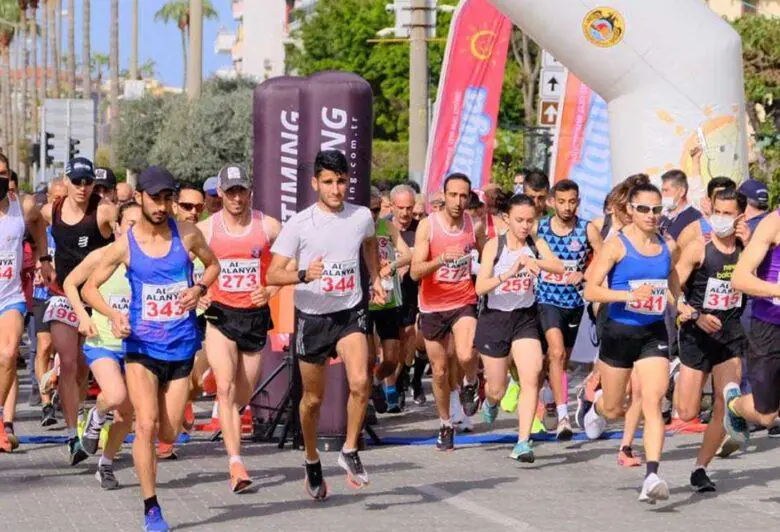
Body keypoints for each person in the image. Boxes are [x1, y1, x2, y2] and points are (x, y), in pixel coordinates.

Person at [83, 166, 219, 531]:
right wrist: (112, 314)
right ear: (140, 197)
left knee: (169, 433)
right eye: (155, 198)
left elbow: (213, 266)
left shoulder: (187, 235)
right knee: (145, 424)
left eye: (167, 198)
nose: (162, 205)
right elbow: (88, 289)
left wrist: (198, 290)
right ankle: (151, 506)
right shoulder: (125, 245)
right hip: (141, 346)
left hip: (181, 346)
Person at [266, 150, 385, 498]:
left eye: (342, 181)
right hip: (313, 318)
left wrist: (375, 277)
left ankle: (349, 451)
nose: (336, 189)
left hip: (349, 312)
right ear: (315, 183)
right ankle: (311, 458)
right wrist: (304, 274)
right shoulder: (299, 224)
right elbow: (273, 272)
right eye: (329, 182)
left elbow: (369, 245)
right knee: (313, 400)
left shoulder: (361, 215)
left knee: (362, 382)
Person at [583, 182, 694, 503]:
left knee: (653, 401)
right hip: (619, 332)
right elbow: (591, 291)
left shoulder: (665, 243)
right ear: (630, 210)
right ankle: (596, 405)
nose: (651, 215)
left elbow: (670, 274)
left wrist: (680, 301)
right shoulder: (616, 245)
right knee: (616, 408)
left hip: (652, 333)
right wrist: (628, 295)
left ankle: (652, 475)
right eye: (644, 209)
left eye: (657, 209)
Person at [198, 164, 281, 493]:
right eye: (230, 191)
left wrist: (271, 290)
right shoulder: (206, 230)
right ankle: (236, 464)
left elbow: (291, 259)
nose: (236, 197)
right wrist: (198, 291)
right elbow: (182, 261)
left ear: (250, 192)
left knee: (241, 395)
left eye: (241, 191)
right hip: (220, 315)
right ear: (220, 193)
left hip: (254, 316)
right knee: (227, 388)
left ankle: (213, 385)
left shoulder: (268, 227)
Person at [476, 193, 563, 462]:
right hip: (495, 318)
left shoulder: (535, 243)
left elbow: (557, 266)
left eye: (530, 220)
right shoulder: (495, 246)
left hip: (524, 317)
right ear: (507, 219)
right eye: (519, 220)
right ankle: (490, 401)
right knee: (497, 389)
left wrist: (535, 262)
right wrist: (508, 273)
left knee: (532, 374)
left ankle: (523, 442)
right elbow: (480, 287)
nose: (525, 226)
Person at [41, 157, 117, 465]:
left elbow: (125, 237)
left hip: (95, 297)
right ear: (66, 181)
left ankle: (88, 418)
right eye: (77, 182)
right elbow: (33, 220)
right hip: (63, 295)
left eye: (88, 183)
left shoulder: (103, 210)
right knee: (69, 364)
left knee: (85, 370)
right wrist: (44, 258)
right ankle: (73, 435)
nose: (83, 188)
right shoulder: (52, 210)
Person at [63, 201, 142, 489]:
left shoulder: (148, 260)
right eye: (131, 224)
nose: (136, 230)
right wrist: (83, 316)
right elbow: (71, 283)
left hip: (136, 346)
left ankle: (105, 465)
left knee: (127, 412)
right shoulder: (102, 256)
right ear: (117, 227)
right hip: (103, 343)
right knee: (116, 394)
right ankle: (95, 418)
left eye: (141, 224)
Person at [674, 187, 747, 492]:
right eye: (717, 212)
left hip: (729, 334)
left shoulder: (748, 248)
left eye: (728, 214)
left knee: (724, 401)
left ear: (740, 217)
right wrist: (693, 315)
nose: (721, 219)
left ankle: (701, 468)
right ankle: (674, 374)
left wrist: (752, 240)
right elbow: (673, 287)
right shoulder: (698, 248)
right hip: (696, 332)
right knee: (687, 412)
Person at [411, 173, 486, 451]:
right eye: (453, 195)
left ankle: (470, 381)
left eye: (463, 196)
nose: (458, 201)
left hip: (463, 299)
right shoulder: (428, 227)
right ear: (443, 196)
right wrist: (441, 259)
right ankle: (445, 424)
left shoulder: (472, 224)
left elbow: (487, 253)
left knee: (467, 353)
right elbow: (415, 271)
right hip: (432, 306)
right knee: (440, 372)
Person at [536, 179, 602, 439]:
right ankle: (563, 417)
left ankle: (551, 396)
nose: (566, 207)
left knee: (563, 358)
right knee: (556, 352)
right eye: (561, 201)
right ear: (552, 202)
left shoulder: (587, 230)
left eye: (572, 201)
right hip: (547, 299)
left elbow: (604, 260)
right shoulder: (540, 228)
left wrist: (584, 274)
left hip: (575, 303)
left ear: (578, 202)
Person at [0, 155, 52, 453]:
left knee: (8, 356)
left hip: (11, 297)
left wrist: (43, 258)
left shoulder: (24, 207)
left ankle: (4, 422)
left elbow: (40, 224)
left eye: (4, 174)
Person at [722, 206, 780, 447]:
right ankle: (735, 405)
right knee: (767, 415)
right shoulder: (773, 223)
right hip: (769, 327)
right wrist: (777, 290)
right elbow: (739, 278)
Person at [367, 186, 412, 413]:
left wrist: (392, 266)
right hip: (364, 301)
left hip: (388, 299)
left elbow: (407, 253)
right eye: (370, 210)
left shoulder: (387, 226)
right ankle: (365, 400)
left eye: (377, 209)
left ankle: (376, 382)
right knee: (366, 357)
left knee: (392, 358)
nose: (373, 215)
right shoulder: (355, 228)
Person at [390, 184, 425, 405]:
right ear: (391, 206)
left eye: (409, 208)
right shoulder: (383, 226)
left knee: (407, 337)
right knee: (386, 344)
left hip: (412, 292)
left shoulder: (421, 228)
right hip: (385, 293)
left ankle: (400, 379)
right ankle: (390, 384)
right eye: (400, 208)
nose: (405, 213)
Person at [659, 170, 702, 240]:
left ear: (682, 192)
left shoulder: (694, 217)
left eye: (666, 190)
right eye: (662, 190)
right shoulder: (662, 217)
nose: (663, 195)